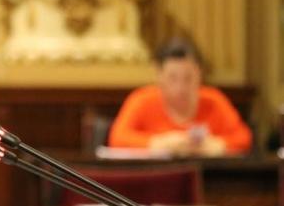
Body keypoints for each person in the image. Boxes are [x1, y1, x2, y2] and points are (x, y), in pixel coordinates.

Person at [108, 37, 252, 156]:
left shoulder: (214, 100)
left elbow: (243, 138)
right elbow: (117, 138)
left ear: (199, 74)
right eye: (172, 78)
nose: (180, 87)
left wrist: (218, 145)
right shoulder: (142, 100)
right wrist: (159, 143)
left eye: (188, 78)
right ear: (159, 75)